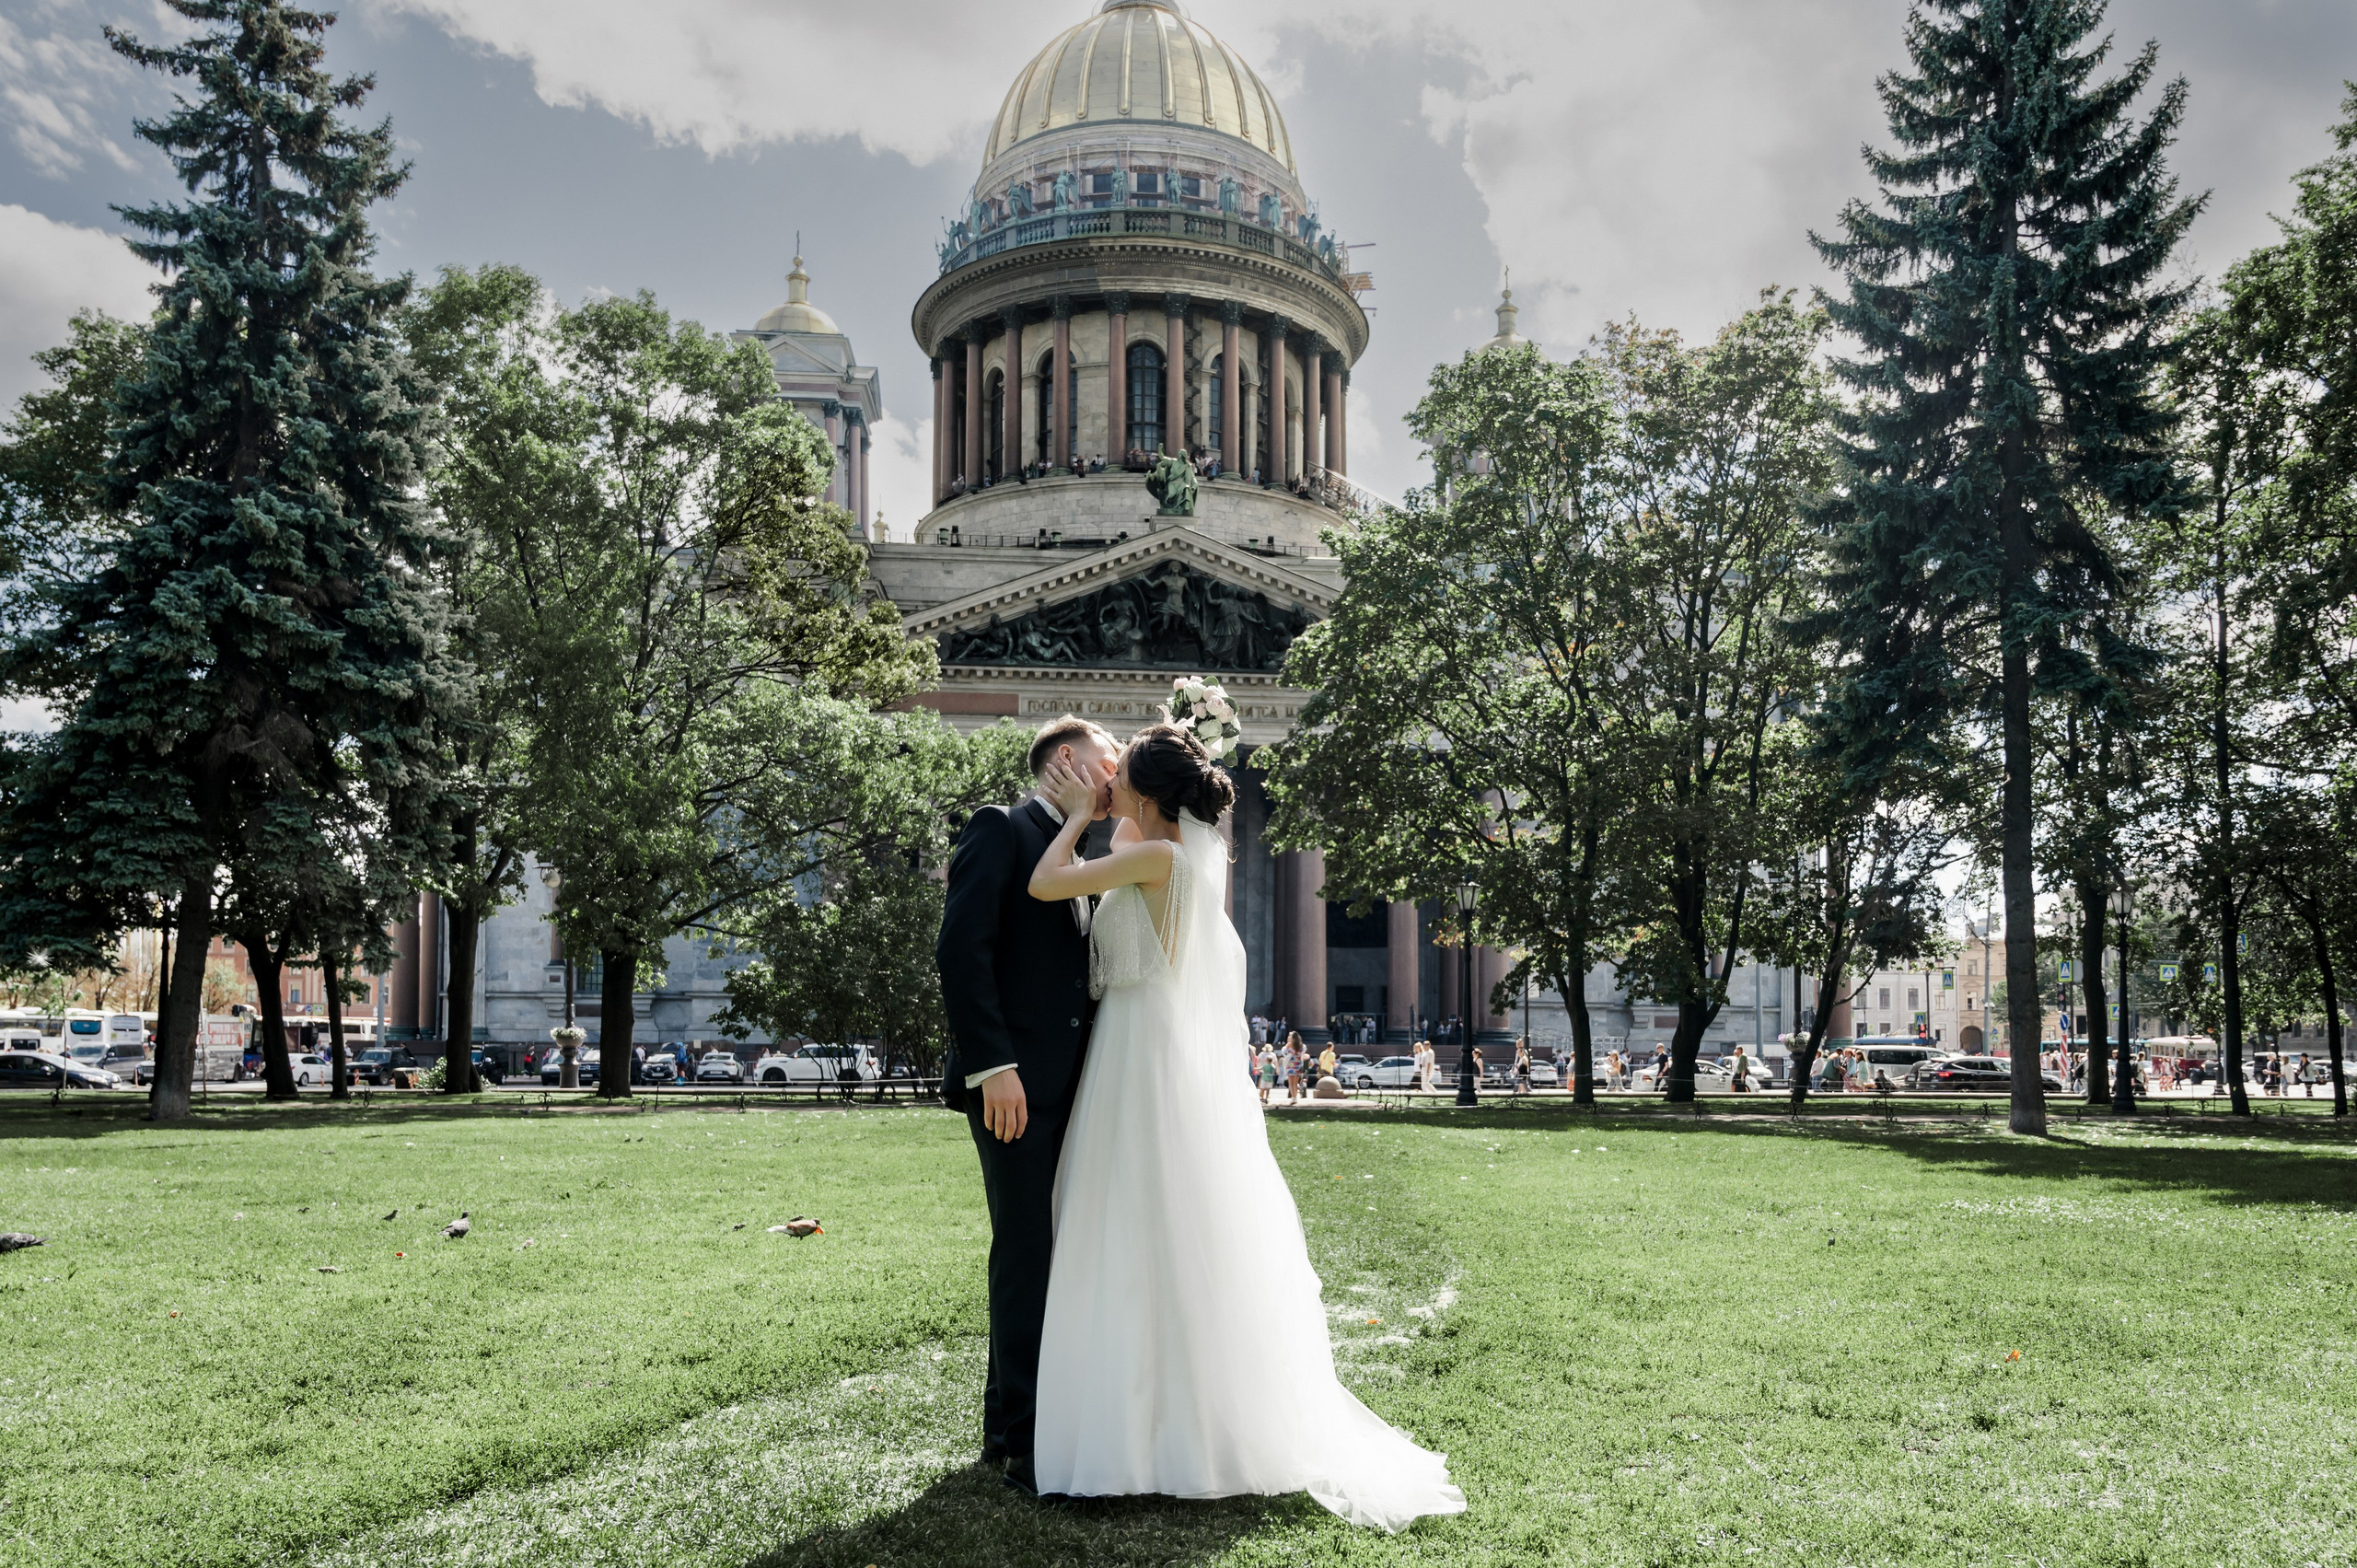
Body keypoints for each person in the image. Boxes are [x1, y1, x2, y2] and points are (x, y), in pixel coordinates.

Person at [1020, 721, 1465, 1528]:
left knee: (1135, 1224)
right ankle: (1154, 1426)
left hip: (1141, 1056)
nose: (1110, 782)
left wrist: (1080, 813)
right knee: (1144, 1227)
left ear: (1147, 796)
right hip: (1138, 1048)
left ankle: (1148, 1434)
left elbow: (1047, 881)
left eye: (1123, 776)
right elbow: (1120, 849)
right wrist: (1116, 796)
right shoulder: (1172, 853)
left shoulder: (1158, 858)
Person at [935, 714, 1121, 1495]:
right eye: (1111, 759)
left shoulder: (1073, 851)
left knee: (1041, 1256)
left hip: (1068, 1091)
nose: (1118, 774)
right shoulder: (1000, 829)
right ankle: (1024, 1445)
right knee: (1025, 1255)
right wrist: (994, 1066)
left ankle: (1004, 1427)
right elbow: (961, 950)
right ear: (1069, 760)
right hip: (1012, 1090)